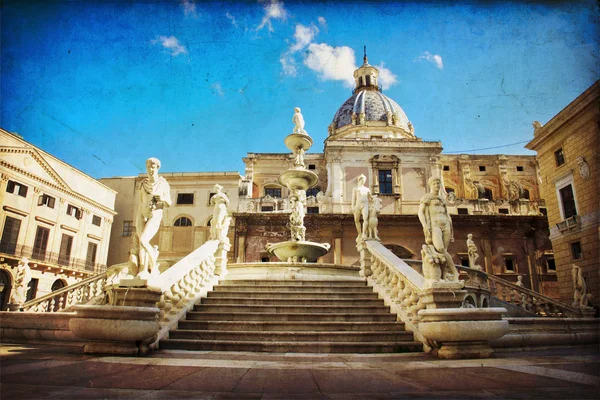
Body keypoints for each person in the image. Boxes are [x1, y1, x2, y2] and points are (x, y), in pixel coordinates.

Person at [131, 158, 171, 279]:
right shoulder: (143, 184)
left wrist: (162, 199)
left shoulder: (163, 183)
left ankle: (152, 267)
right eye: (149, 167)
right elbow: (142, 201)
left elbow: (169, 201)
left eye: (153, 167)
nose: (151, 169)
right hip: (142, 213)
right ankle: (143, 270)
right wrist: (140, 215)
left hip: (155, 213)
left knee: (144, 240)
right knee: (141, 243)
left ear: (158, 168)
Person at [418, 177, 457, 281]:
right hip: (435, 225)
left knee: (444, 251)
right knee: (440, 248)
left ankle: (444, 274)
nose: (437, 186)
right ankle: (454, 272)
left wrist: (451, 226)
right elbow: (420, 212)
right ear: (430, 185)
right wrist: (425, 225)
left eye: (438, 184)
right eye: (435, 184)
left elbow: (447, 213)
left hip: (446, 224)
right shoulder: (427, 198)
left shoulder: (441, 198)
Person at [351, 174, 372, 241]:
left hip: (365, 204)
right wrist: (353, 206)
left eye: (364, 180)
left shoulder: (367, 189)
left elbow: (370, 198)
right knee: (356, 220)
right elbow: (353, 198)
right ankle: (359, 233)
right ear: (359, 180)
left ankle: (364, 234)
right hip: (358, 205)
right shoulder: (355, 189)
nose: (363, 181)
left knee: (366, 219)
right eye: (362, 179)